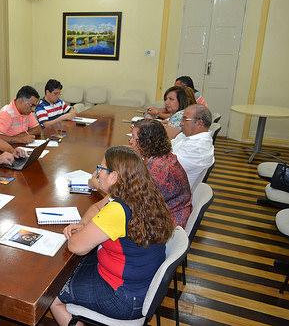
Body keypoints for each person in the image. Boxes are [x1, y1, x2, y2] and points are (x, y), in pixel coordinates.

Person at [50, 146, 174, 324]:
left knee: (51, 297)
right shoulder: (141, 193)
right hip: (138, 284)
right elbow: (97, 207)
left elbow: (75, 246)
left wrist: (83, 231)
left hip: (122, 296)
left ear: (115, 176)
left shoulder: (118, 210)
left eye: (101, 169)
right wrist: (84, 224)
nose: (97, 173)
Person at [130, 119, 192, 228]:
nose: (130, 141)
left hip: (162, 226)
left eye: (134, 138)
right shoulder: (165, 157)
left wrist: (98, 184)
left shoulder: (156, 171)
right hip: (174, 212)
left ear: (147, 142)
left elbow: (131, 202)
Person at [0, 85, 41, 154]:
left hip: (16, 147)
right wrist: (20, 139)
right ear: (21, 101)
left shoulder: (27, 112)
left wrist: (22, 136)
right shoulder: (6, 113)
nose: (33, 110)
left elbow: (37, 129)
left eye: (35, 106)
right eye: (32, 105)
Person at [172, 104, 215, 190]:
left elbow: (166, 166)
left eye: (185, 120)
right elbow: (168, 146)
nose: (181, 123)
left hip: (173, 190)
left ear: (199, 123)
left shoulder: (198, 148)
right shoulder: (187, 135)